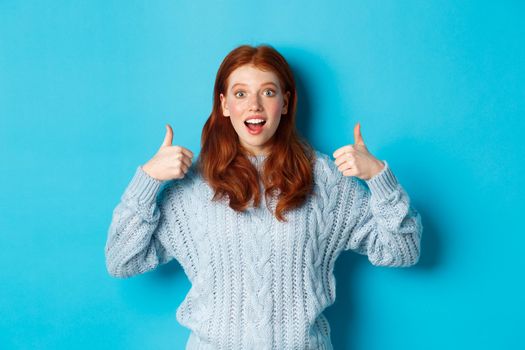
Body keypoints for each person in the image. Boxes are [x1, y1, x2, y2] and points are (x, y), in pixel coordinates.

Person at [105, 44, 423, 350]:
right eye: (240, 93)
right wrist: (147, 179)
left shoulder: (326, 180)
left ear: (285, 103)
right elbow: (121, 260)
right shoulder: (193, 187)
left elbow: (404, 250)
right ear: (224, 105)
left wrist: (379, 177)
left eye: (268, 92)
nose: (254, 105)